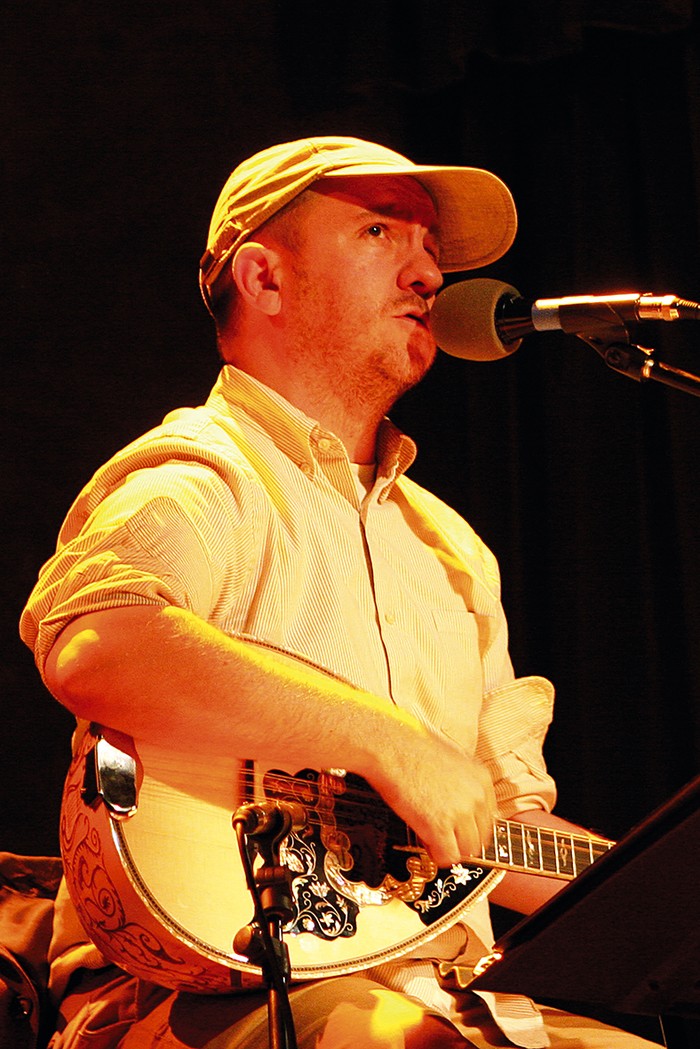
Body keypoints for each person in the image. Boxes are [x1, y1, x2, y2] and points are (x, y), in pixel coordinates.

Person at [19, 136, 661, 1048]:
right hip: (203, 994)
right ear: (264, 277)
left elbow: (496, 830)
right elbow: (100, 642)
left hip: (448, 992)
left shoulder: (451, 550)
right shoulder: (203, 475)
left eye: (431, 247)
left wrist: (661, 892)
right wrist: (386, 739)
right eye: (378, 231)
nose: (427, 274)